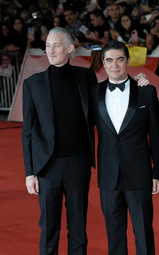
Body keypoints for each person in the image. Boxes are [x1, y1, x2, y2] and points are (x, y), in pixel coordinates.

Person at [22, 27, 98, 254]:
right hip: (47, 166)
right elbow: (27, 131)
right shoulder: (33, 84)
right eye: (47, 46)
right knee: (48, 227)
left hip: (78, 163)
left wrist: (138, 82)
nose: (50, 50)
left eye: (56, 45)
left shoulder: (86, 77)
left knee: (78, 226)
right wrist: (29, 172)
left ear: (70, 48)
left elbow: (105, 104)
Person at [90, 40, 159, 255]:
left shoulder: (146, 92)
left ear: (128, 61)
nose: (114, 65)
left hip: (139, 174)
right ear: (103, 62)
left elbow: (155, 136)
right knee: (114, 234)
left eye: (119, 59)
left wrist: (157, 172)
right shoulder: (94, 93)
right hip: (109, 175)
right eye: (109, 60)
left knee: (143, 233)